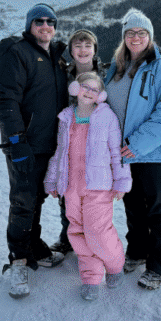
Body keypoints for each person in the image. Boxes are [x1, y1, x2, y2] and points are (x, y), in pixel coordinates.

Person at [103, 9, 161, 291]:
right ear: (124, 37)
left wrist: (137, 144)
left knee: (157, 209)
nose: (135, 38)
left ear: (150, 36)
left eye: (141, 33)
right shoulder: (118, 66)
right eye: (130, 33)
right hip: (124, 152)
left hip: (154, 152)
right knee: (133, 206)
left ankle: (159, 266)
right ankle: (137, 252)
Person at [0, 2, 68, 298]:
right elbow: (6, 100)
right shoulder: (17, 52)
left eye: (50, 21)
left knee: (38, 198)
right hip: (25, 144)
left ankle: (33, 248)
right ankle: (18, 262)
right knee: (23, 202)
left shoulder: (57, 57)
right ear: (29, 25)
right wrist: (16, 142)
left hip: (50, 144)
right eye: (39, 21)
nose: (45, 25)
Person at [44, 72, 131, 300]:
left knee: (98, 231)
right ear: (75, 88)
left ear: (100, 95)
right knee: (78, 232)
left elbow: (117, 153)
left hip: (99, 186)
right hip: (71, 187)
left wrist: (121, 181)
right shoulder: (66, 117)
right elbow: (59, 152)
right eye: (85, 86)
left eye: (95, 89)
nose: (89, 92)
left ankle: (115, 266)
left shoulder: (107, 117)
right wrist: (52, 179)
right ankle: (91, 277)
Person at [50, 28, 103, 255]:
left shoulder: (107, 74)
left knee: (96, 194)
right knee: (68, 191)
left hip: (96, 143)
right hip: (69, 141)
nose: (83, 50)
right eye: (78, 46)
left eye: (87, 46)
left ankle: (95, 239)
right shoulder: (62, 74)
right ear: (71, 51)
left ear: (94, 49)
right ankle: (68, 238)